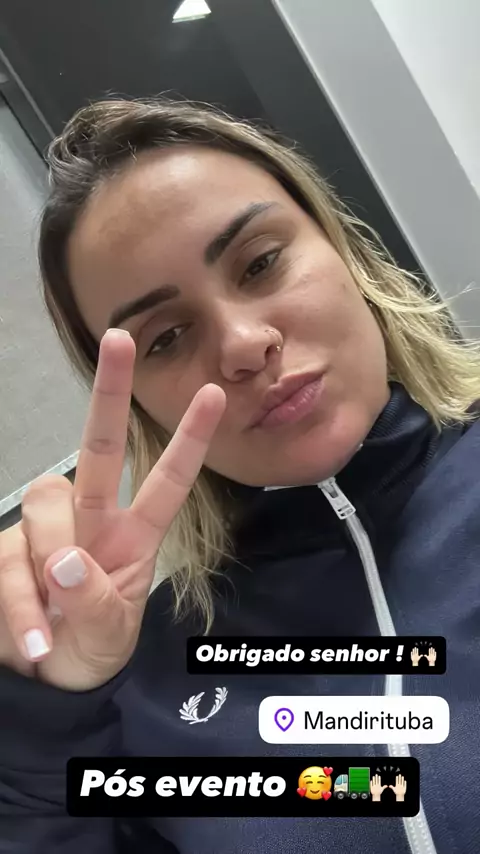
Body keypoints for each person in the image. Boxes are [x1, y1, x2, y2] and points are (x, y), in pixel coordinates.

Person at [0, 96, 479, 854]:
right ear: (139, 403)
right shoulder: (147, 683)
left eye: (260, 263)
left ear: (342, 249)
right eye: (166, 337)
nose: (244, 345)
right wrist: (45, 716)